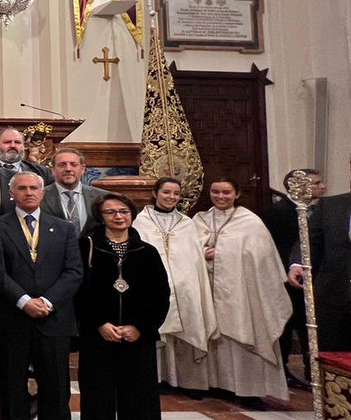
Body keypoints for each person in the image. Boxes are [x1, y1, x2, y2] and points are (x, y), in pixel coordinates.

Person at [0, 171, 84, 420]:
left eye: (34, 188)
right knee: (12, 383)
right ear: (11, 193)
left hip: (53, 318)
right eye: (22, 188)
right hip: (12, 317)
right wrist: (23, 301)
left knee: (56, 385)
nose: (28, 192)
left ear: (43, 193)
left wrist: (46, 302)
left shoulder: (64, 228)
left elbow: (73, 272)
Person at [78, 194, 170, 420]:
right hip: (99, 334)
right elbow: (79, 291)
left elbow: (160, 295)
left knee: (138, 395)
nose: (118, 217)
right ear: (101, 217)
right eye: (111, 212)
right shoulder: (89, 247)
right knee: (98, 391)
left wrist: (140, 327)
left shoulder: (146, 252)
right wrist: (99, 323)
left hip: (136, 337)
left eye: (123, 211)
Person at [194, 178, 292, 405]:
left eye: (226, 192)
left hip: (242, 292)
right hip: (208, 289)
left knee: (243, 334)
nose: (220, 196)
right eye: (215, 192)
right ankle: (218, 384)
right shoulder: (200, 219)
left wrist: (223, 252)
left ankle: (249, 390)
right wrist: (203, 250)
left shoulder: (251, 222)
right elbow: (188, 248)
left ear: (236, 194)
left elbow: (261, 258)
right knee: (214, 336)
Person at [132, 178, 218, 393]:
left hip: (185, 288)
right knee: (157, 332)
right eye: (166, 192)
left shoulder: (187, 223)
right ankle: (157, 379)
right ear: (155, 193)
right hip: (153, 288)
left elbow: (194, 259)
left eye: (176, 193)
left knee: (185, 332)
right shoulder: (140, 221)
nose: (171, 197)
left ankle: (186, 381)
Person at [266, 170, 322, 383]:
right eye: (317, 183)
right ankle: (283, 370)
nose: (322, 187)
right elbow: (271, 246)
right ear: (296, 186)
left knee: (311, 324)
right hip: (286, 277)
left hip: (313, 277)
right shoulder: (276, 212)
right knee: (288, 323)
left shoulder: (319, 210)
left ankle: (314, 370)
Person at [289, 161, 351, 351]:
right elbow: (308, 240)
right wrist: (297, 263)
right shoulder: (331, 205)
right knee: (330, 356)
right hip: (333, 295)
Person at [41, 147, 110, 236]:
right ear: (53, 169)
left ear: (82, 169)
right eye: (62, 165)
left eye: (73, 164)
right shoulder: (40, 196)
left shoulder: (102, 196)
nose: (68, 169)